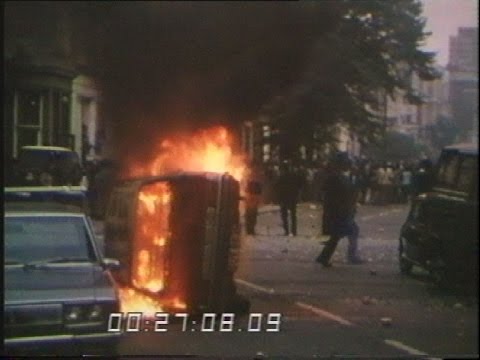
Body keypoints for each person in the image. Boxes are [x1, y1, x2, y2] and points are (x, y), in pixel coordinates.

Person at [315, 152, 364, 267]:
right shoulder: (335, 177)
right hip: (339, 212)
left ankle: (324, 257)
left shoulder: (339, 176)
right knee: (350, 232)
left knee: (337, 236)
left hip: (341, 212)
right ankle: (350, 256)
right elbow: (332, 195)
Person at [275, 162, 304, 236]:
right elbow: (300, 184)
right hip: (293, 197)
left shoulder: (281, 177)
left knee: (284, 215)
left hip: (284, 198)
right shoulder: (294, 176)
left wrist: (278, 198)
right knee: (293, 215)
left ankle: (286, 230)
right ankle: (294, 231)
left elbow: (277, 187)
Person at [244, 164, 263, 235]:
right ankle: (251, 229)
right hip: (253, 198)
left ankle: (249, 229)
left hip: (250, 198)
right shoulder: (257, 181)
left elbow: (246, 189)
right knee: (252, 214)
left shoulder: (250, 181)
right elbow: (260, 191)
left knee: (249, 214)